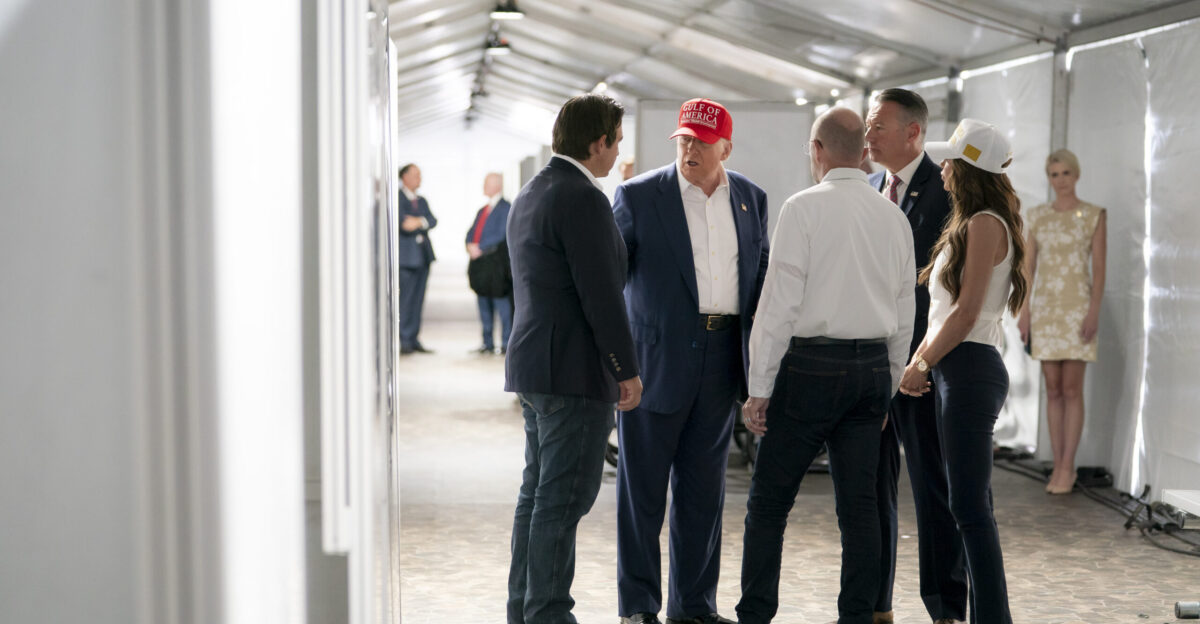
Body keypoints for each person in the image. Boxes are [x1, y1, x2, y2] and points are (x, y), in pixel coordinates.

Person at [736, 107, 916, 624]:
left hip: (810, 366)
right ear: (863, 151)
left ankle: (756, 613)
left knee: (770, 503)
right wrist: (889, 388)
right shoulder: (893, 217)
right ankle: (857, 616)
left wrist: (759, 387)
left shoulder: (802, 208)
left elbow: (778, 306)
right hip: (871, 373)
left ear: (816, 150)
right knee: (860, 508)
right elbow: (905, 310)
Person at [612, 98, 769, 624]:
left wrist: (761, 371)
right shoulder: (638, 196)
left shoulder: (750, 198)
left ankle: (693, 607)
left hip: (723, 361)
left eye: (701, 141)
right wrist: (616, 364)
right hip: (653, 365)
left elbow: (762, 284)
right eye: (683, 139)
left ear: (726, 145)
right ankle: (638, 607)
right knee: (642, 496)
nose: (690, 149)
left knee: (704, 496)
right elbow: (611, 285)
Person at [504, 93, 644, 624]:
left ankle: (525, 609)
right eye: (616, 143)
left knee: (537, 497)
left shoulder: (534, 191)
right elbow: (600, 294)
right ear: (597, 143)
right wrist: (624, 368)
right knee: (562, 502)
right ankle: (548, 614)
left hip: (536, 366)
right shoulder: (583, 198)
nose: (617, 155)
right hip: (573, 372)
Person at [898, 118, 1028, 624]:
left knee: (970, 509)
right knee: (971, 506)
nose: (942, 168)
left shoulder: (983, 223)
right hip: (965, 367)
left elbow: (966, 311)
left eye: (951, 160)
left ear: (969, 168)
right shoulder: (982, 220)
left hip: (968, 366)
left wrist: (920, 361)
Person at [864, 89, 967, 624]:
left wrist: (922, 362)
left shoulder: (945, 193)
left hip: (923, 367)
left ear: (913, 133)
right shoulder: (867, 190)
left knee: (932, 486)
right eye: (866, 123)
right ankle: (876, 603)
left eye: (878, 125)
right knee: (872, 487)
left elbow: (948, 293)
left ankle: (946, 607)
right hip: (868, 363)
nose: (868, 133)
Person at [1017, 149, 1106, 495]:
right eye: (1054, 174)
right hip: (1046, 309)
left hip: (1078, 306)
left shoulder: (1093, 215)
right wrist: (1024, 311)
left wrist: (1094, 311)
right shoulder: (1037, 216)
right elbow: (1028, 269)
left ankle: (1068, 465)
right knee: (1052, 389)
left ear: (1076, 175)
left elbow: (1099, 271)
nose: (1060, 180)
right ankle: (1057, 464)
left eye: (1065, 173)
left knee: (1072, 388)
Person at [466, 172, 513, 355]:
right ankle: (487, 342)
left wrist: (480, 247)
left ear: (497, 185)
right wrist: (469, 244)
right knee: (483, 303)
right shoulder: (483, 210)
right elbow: (472, 231)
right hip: (481, 266)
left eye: (487, 183)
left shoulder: (506, 208)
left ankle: (506, 343)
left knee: (502, 306)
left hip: (496, 266)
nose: (484, 186)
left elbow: (501, 233)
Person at [398, 163, 437, 354]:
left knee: (418, 300)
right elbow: (403, 224)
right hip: (406, 259)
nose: (419, 179)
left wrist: (418, 221)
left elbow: (432, 220)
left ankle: (413, 337)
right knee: (406, 299)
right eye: (415, 175)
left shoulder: (421, 200)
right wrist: (421, 222)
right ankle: (404, 338)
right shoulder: (397, 197)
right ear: (404, 177)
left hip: (423, 257)